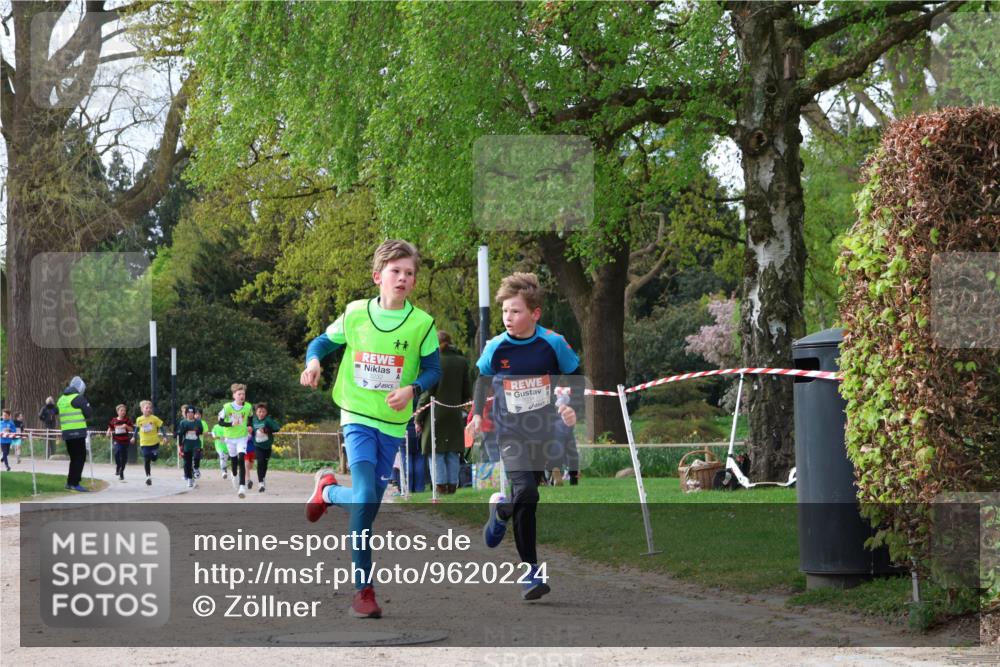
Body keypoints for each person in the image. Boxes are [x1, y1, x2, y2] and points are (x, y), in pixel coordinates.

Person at [301, 239, 441, 619]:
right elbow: (321, 342)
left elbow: (433, 370)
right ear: (378, 276)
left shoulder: (422, 323)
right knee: (364, 499)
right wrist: (314, 363)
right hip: (357, 416)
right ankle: (363, 592)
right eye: (396, 271)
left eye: (409, 273)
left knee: (370, 505)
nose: (403, 278)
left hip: (393, 425)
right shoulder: (356, 313)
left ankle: (328, 492)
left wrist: (413, 388)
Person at [466, 272, 582, 601]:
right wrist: (476, 416)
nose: (508, 318)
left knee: (527, 500)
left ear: (535, 313)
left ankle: (501, 512)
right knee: (528, 492)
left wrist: (569, 407)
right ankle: (530, 572)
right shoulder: (496, 346)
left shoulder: (553, 343)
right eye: (505, 311)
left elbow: (573, 374)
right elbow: (483, 381)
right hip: (510, 432)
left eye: (515, 311)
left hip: (543, 432)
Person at [417, 331, 472, 494]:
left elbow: (427, 391)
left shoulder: (435, 361)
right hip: (454, 412)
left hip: (435, 413)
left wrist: (418, 416)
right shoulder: (462, 361)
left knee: (436, 450)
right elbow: (466, 389)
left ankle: (440, 486)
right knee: (453, 450)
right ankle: (452, 485)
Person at [57, 376, 94, 492]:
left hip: (67, 433)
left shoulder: (61, 399)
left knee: (73, 458)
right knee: (80, 458)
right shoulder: (78, 398)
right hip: (78, 432)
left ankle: (70, 482)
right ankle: (75, 483)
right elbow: (89, 413)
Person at [219, 383, 253, 498]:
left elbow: (250, 418)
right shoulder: (227, 407)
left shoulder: (248, 407)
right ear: (234, 395)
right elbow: (220, 422)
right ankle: (234, 475)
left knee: (241, 458)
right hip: (230, 438)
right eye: (239, 394)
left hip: (242, 437)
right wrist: (230, 423)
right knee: (234, 461)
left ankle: (242, 487)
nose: (242, 396)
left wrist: (249, 425)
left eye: (243, 394)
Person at [250, 402, 281, 493]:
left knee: (265, 464)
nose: (261, 413)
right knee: (260, 462)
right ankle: (260, 483)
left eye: (263, 412)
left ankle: (263, 478)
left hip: (267, 446)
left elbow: (277, 428)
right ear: (256, 412)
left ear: (266, 412)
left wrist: (267, 430)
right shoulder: (254, 421)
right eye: (259, 411)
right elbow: (250, 429)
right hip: (257, 445)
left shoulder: (268, 420)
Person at [135, 400, 165, 486]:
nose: (148, 409)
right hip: (144, 443)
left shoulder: (154, 418)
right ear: (142, 409)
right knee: (146, 458)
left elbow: (161, 427)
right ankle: (148, 477)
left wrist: (165, 436)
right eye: (146, 408)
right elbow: (137, 429)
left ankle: (155, 454)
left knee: (154, 458)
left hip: (154, 442)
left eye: (150, 408)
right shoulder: (139, 419)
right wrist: (133, 437)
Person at [176, 406, 204, 489]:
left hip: (196, 443)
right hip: (187, 444)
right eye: (188, 412)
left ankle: (196, 468)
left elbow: (201, 431)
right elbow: (180, 434)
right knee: (187, 463)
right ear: (186, 413)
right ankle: (189, 479)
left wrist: (197, 430)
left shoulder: (198, 422)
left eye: (192, 412)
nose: (190, 414)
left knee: (197, 456)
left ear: (194, 413)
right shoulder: (183, 422)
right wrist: (180, 445)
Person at [106, 404, 134, 482]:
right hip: (117, 440)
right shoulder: (114, 420)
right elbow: (110, 427)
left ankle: (121, 472)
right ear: (117, 411)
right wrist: (108, 432)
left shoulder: (127, 420)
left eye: (124, 410)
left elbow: (131, 429)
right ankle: (118, 466)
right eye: (121, 410)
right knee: (116, 454)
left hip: (125, 441)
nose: (123, 412)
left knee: (124, 457)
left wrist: (126, 426)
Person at [194, 408, 209, 480]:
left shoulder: (203, 423)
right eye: (196, 414)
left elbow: (206, 433)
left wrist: (199, 432)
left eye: (199, 414)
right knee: (190, 458)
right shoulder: (191, 422)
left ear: (201, 415)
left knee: (197, 458)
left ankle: (196, 469)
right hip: (190, 443)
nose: (197, 416)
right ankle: (190, 472)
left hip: (199, 444)